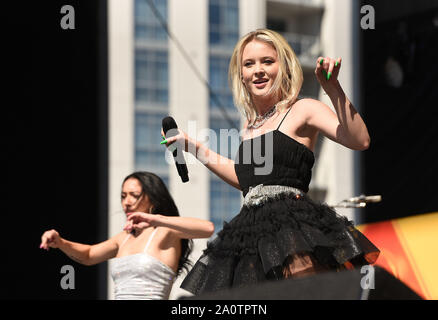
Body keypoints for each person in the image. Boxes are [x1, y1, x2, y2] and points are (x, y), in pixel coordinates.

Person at [161, 29, 380, 296]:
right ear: (241, 74)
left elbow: (359, 140)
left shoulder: (303, 109)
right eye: (249, 64)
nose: (258, 71)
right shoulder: (249, 126)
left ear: (283, 67)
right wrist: (192, 146)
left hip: (293, 226)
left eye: (267, 61)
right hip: (251, 233)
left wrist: (333, 88)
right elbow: (246, 180)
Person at [40, 171, 214, 300]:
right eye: (123, 196)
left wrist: (156, 219)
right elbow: (89, 255)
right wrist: (61, 242)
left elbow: (207, 228)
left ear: (152, 199)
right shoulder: (124, 238)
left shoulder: (165, 231)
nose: (127, 202)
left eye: (134, 195)